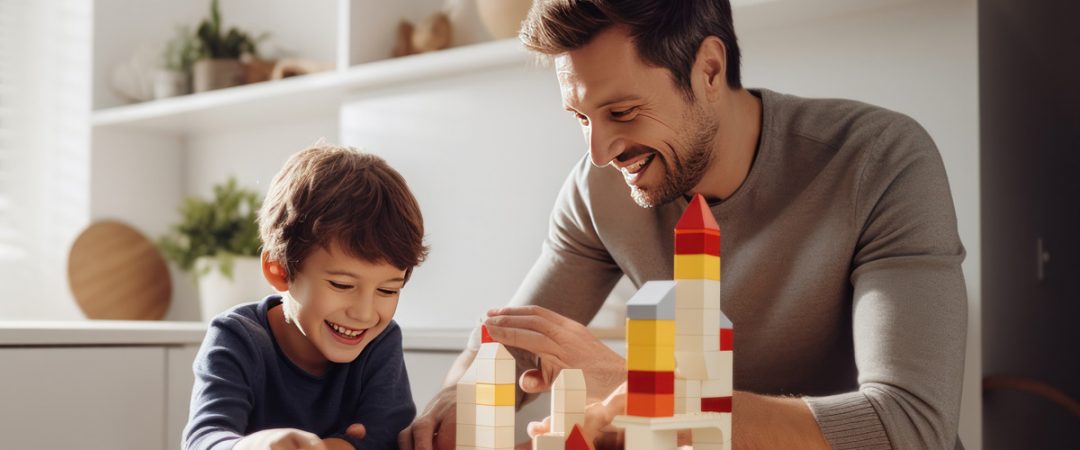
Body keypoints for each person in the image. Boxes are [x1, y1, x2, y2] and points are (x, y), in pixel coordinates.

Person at [400, 0, 968, 448]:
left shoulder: (879, 160)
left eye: (621, 112)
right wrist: (459, 402)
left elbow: (910, 428)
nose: (599, 152)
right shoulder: (597, 190)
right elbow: (514, 347)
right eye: (580, 118)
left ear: (709, 70)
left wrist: (651, 398)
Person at [184, 144, 429, 450]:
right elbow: (204, 439)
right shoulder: (237, 338)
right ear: (280, 270)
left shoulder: (380, 341)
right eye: (342, 285)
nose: (365, 314)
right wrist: (255, 446)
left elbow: (388, 435)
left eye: (388, 290)